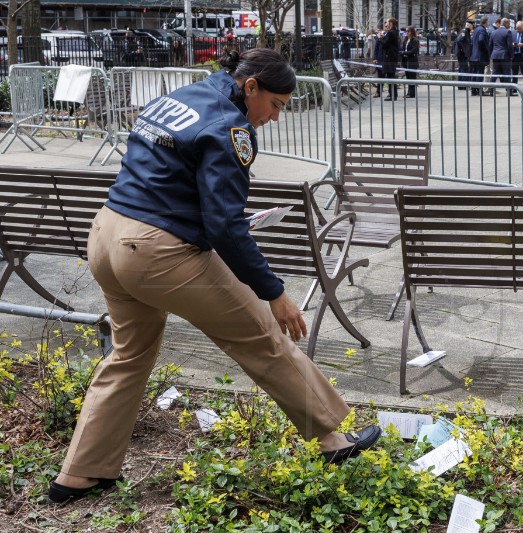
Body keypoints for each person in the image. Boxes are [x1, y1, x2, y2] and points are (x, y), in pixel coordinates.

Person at [47, 48, 380, 504]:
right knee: (261, 334)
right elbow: (224, 225)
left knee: (127, 356)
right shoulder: (232, 128)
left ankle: (79, 476)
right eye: (276, 105)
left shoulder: (185, 94)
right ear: (251, 87)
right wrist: (274, 292)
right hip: (157, 251)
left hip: (106, 234)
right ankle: (332, 441)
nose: (275, 117)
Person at [488, 18, 513, 96]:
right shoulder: (508, 32)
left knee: (494, 73)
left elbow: (490, 45)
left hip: (495, 55)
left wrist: (492, 54)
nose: (509, 25)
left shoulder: (493, 32)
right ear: (505, 23)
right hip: (505, 56)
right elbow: (509, 46)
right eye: (508, 23)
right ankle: (508, 91)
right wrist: (511, 55)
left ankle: (491, 90)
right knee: (507, 74)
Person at [379, 18, 400, 101]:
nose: (385, 24)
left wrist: (380, 37)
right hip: (390, 57)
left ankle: (393, 95)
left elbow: (385, 44)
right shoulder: (392, 32)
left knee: (391, 76)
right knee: (390, 76)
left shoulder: (391, 33)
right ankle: (392, 94)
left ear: (391, 23)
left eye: (387, 22)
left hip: (390, 57)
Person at [469, 17, 490, 96]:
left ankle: (474, 90)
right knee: (479, 73)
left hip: (474, 55)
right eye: (488, 21)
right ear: (485, 22)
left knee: (475, 73)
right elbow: (481, 40)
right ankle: (479, 90)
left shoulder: (477, 29)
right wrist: (485, 49)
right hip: (480, 56)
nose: (488, 23)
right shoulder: (482, 30)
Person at [401, 26, 420, 98]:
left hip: (412, 61)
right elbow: (403, 48)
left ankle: (412, 93)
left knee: (412, 77)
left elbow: (413, 51)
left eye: (408, 31)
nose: (406, 33)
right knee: (408, 77)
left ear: (412, 32)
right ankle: (409, 92)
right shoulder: (405, 40)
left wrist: (404, 52)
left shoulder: (415, 40)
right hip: (405, 60)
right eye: (406, 31)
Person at [455, 21, 473, 88]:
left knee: (462, 68)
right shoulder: (464, 31)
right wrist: (463, 49)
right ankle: (463, 85)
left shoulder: (466, 31)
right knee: (464, 68)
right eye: (472, 25)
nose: (472, 27)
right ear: (469, 25)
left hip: (462, 53)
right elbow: (459, 40)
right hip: (462, 54)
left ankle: (461, 85)